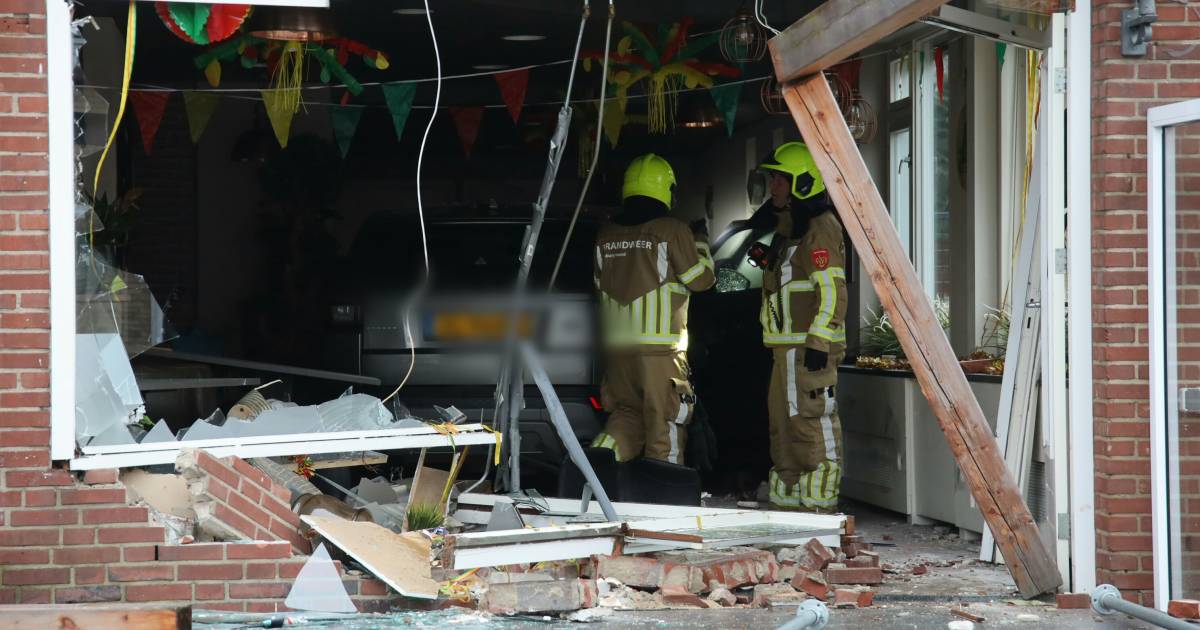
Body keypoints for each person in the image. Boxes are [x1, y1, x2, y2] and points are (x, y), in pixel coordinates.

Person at [590, 153, 715, 465]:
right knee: (665, 427)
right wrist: (700, 242)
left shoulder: (606, 236)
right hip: (660, 355)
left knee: (624, 421)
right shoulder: (671, 230)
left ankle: (596, 470)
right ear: (666, 190)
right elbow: (701, 280)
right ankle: (664, 500)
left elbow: (598, 281)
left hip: (619, 354)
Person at [746, 141, 848, 512]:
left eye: (779, 179)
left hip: (809, 349)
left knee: (812, 421)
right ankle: (789, 496)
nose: (772, 186)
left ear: (802, 183)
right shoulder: (790, 231)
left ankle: (821, 499)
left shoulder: (820, 228)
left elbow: (832, 289)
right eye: (772, 178)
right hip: (784, 349)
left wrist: (821, 339)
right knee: (784, 428)